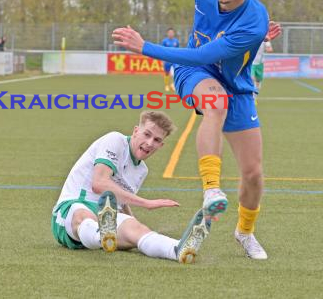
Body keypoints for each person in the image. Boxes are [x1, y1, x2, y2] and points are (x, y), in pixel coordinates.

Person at [112, 0, 282, 260]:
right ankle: (211, 190)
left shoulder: (253, 22)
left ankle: (245, 232)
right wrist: (149, 48)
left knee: (254, 173)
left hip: (237, 86)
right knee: (215, 103)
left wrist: (144, 47)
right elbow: (200, 59)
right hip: (194, 72)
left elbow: (210, 52)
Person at [52, 111, 211, 264]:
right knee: (84, 215)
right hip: (72, 210)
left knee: (137, 230)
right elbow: (99, 184)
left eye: (156, 140)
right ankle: (102, 234)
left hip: (107, 216)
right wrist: (146, 203)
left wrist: (131, 222)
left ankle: (177, 249)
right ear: (136, 131)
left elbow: (122, 200)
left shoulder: (142, 170)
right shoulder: (115, 140)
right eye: (147, 134)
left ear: (161, 145)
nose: (149, 143)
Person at [251, 39, 273, 104]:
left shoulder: (265, 39)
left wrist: (268, 48)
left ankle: (254, 98)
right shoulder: (251, 37)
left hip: (260, 63)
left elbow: (270, 49)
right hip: (251, 63)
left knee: (258, 81)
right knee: (251, 79)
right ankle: (250, 98)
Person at [161, 28, 179, 92]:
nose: (171, 34)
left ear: (173, 33)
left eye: (172, 32)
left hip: (174, 60)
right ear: (167, 33)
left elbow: (178, 51)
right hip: (167, 60)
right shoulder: (164, 41)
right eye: (169, 32)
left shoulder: (176, 41)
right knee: (166, 73)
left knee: (176, 73)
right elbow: (162, 51)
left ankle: (173, 85)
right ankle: (166, 85)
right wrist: (163, 60)